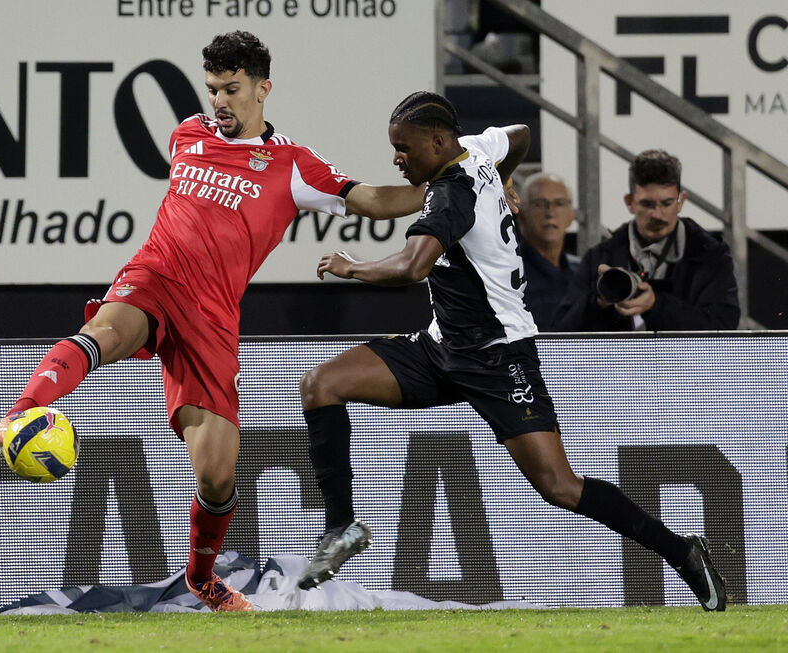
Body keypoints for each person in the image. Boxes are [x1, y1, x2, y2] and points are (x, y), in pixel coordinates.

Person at [0, 31, 425, 613]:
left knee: (218, 477)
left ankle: (202, 578)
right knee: (105, 333)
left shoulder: (295, 166)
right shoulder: (186, 135)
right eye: (213, 88)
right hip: (156, 277)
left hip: (214, 317)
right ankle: (22, 412)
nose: (219, 100)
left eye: (233, 89)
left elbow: (370, 199)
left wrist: (445, 185)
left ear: (263, 88)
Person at [296, 91, 727, 612]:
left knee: (560, 486)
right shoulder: (474, 151)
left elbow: (412, 266)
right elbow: (520, 133)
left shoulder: (451, 192)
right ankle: (341, 527)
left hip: (499, 357)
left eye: (403, 149)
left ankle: (682, 553)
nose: (396, 159)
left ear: (437, 143)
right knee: (322, 384)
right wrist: (504, 176)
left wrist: (353, 266)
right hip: (442, 347)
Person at [553, 150, 740, 331]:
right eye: (647, 204)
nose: (657, 214)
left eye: (667, 203)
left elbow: (723, 328)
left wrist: (656, 305)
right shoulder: (600, 257)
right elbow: (560, 333)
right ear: (630, 202)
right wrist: (600, 300)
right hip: (619, 362)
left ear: (681, 201)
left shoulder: (711, 257)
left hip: (686, 363)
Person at [515, 172, 579, 330]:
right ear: (521, 215)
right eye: (539, 203)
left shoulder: (583, 271)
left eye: (559, 203)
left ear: (572, 216)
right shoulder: (508, 272)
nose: (550, 213)